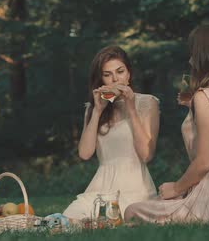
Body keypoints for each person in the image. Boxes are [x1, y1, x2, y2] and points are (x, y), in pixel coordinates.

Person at [124, 22, 209, 224]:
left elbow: (204, 162)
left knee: (132, 211)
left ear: (204, 57)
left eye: (194, 53)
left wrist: (176, 188)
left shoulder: (204, 98)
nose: (190, 59)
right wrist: (193, 109)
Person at [63, 46, 160, 220]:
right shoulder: (93, 109)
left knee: (114, 218)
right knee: (70, 217)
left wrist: (131, 107)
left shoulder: (147, 103)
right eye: (107, 75)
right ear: (101, 80)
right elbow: (85, 153)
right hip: (100, 186)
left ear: (129, 74)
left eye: (120, 72)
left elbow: (147, 155)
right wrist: (97, 111)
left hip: (136, 187)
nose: (115, 79)